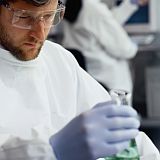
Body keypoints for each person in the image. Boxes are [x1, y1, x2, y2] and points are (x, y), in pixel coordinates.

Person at [0, 0, 159, 160]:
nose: (40, 35)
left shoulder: (58, 58)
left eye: (49, 16)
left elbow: (128, 140)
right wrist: (50, 152)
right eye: (24, 17)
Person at [62, 0, 148, 93]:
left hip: (94, 79)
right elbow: (125, 50)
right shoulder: (94, 9)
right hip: (111, 86)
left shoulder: (73, 4)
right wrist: (134, 45)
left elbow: (106, 22)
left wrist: (131, 4)